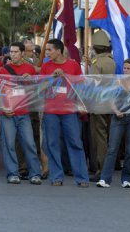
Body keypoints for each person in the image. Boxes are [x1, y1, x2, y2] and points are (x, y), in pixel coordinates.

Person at [41, 39, 89, 187]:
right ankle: (56, 177)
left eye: (49, 50)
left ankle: (81, 178)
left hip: (69, 110)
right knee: (52, 144)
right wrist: (52, 77)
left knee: (75, 142)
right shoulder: (46, 66)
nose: (47, 53)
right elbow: (40, 87)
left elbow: (81, 86)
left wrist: (81, 104)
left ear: (58, 51)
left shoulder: (73, 65)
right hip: (50, 111)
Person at [96, 58, 130, 188]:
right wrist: (115, 111)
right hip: (118, 117)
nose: (125, 70)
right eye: (124, 68)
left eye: (128, 68)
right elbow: (110, 99)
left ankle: (127, 179)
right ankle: (105, 179)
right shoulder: (118, 81)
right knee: (112, 148)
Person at [0, 42, 42, 185]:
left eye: (16, 52)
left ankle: (35, 173)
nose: (13, 54)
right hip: (8, 112)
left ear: (23, 53)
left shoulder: (30, 69)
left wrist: (31, 81)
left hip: (24, 112)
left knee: (29, 143)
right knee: (9, 144)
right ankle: (12, 173)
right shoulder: (3, 70)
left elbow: (35, 92)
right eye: (11, 52)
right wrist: (3, 107)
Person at [88, 30, 116, 182]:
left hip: (98, 103)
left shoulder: (96, 63)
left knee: (99, 137)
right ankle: (110, 166)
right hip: (112, 102)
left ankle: (101, 169)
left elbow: (93, 85)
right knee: (109, 136)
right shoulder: (112, 61)